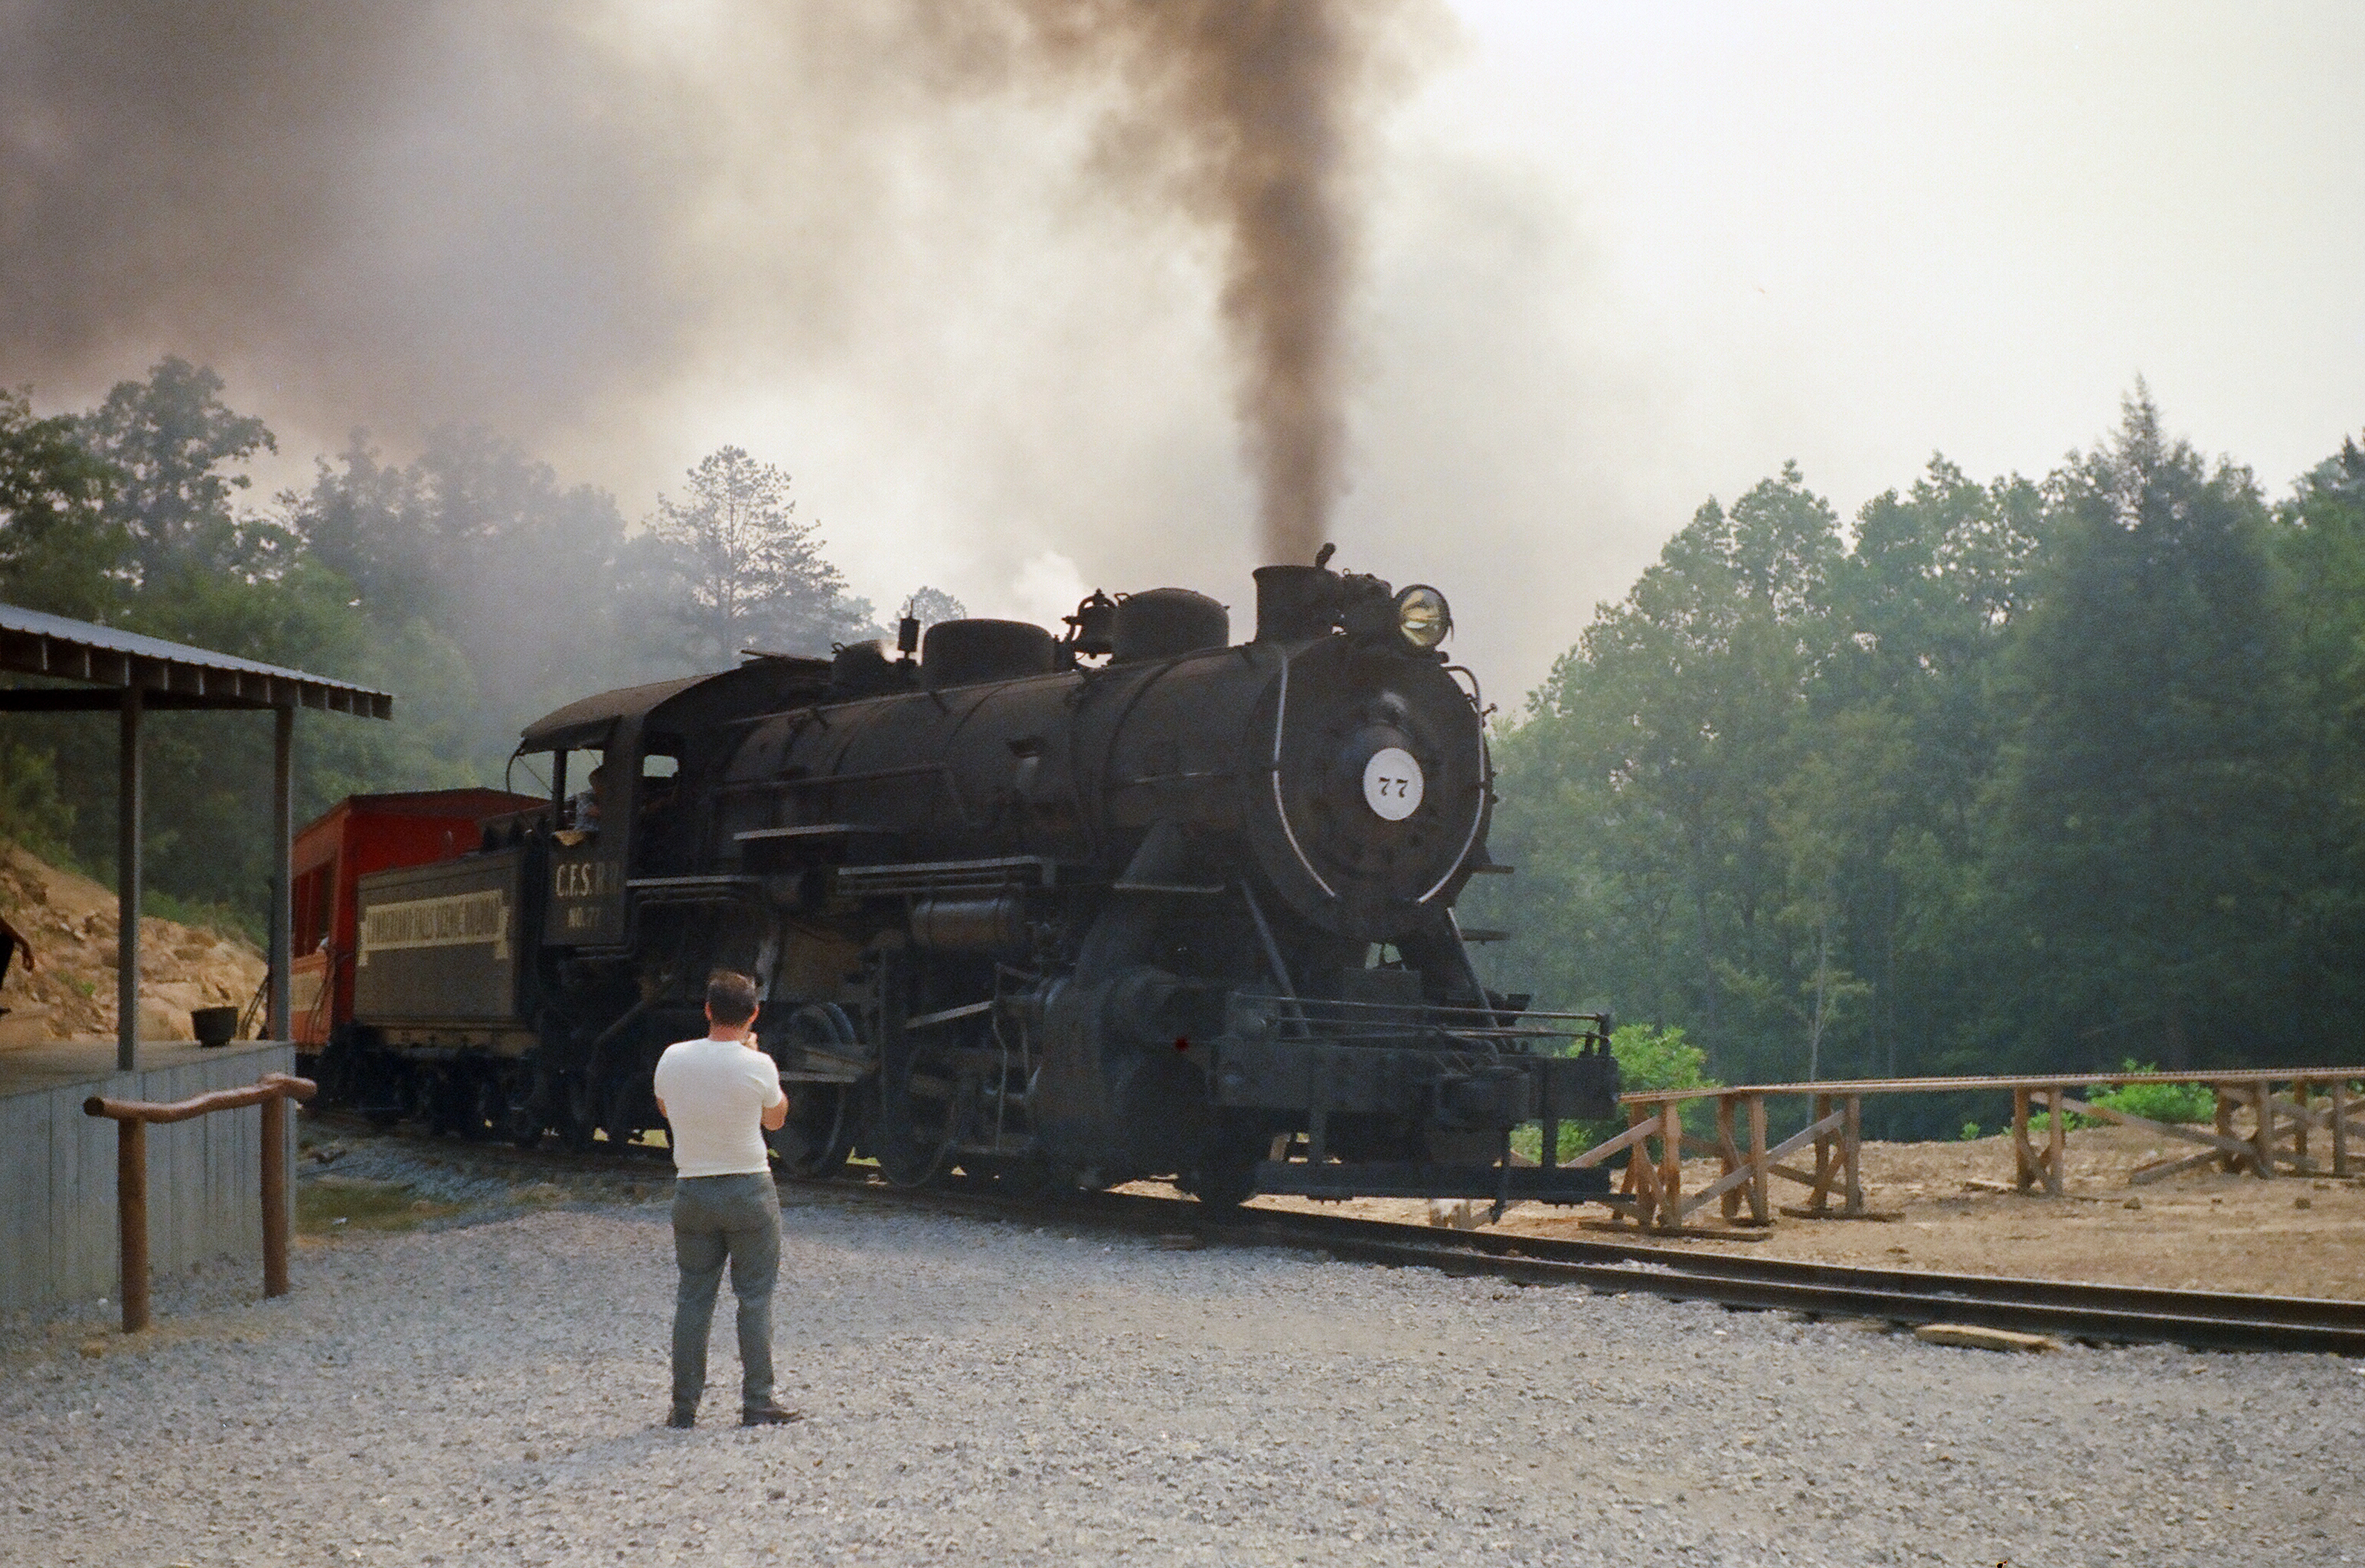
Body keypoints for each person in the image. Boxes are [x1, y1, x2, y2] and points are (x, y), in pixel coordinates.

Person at [651, 969, 801, 1429]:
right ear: (753, 1013)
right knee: (754, 1298)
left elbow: (665, 1107)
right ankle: (757, 1401)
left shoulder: (672, 1057)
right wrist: (751, 1061)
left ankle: (684, 1407)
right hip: (748, 1191)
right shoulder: (759, 1064)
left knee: (693, 1298)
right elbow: (776, 1120)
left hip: (692, 1189)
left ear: (707, 1009)